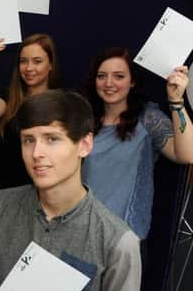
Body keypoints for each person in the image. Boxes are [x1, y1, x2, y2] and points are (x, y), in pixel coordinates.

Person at [0, 90, 141, 291]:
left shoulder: (118, 242)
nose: (37, 153)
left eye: (52, 139)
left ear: (85, 144)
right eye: (29, 140)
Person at [82, 48, 193, 240]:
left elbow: (188, 154)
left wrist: (176, 101)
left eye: (119, 76)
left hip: (124, 240)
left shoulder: (148, 118)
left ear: (132, 81)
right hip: (79, 233)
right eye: (102, 76)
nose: (109, 83)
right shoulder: (82, 119)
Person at [0, 33, 60, 191]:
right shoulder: (11, 97)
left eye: (37, 61)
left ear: (50, 64)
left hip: (44, 190)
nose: (29, 68)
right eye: (23, 61)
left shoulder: (61, 103)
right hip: (7, 190)